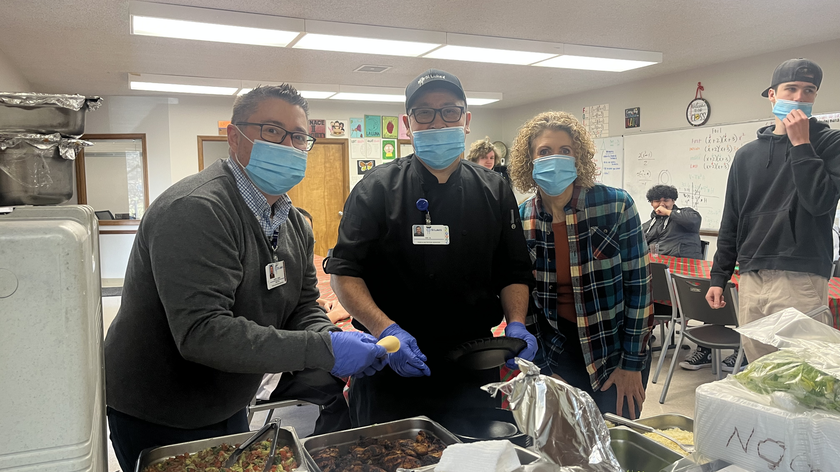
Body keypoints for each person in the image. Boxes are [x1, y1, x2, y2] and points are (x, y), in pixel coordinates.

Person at [104, 85, 387, 470]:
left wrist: (334, 339)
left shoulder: (291, 223)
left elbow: (302, 305)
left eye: (299, 137)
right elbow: (203, 333)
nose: (287, 145)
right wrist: (323, 351)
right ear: (234, 137)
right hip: (160, 409)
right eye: (272, 130)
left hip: (230, 399)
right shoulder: (197, 210)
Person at [325, 69, 536, 427]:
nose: (438, 122)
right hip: (390, 363)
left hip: (474, 365)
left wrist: (516, 323)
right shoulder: (375, 188)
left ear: (466, 121)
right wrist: (386, 329)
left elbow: (513, 270)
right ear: (408, 125)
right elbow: (344, 274)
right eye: (424, 112)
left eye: (450, 111)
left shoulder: (495, 190)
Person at [508, 111, 653, 419]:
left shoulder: (616, 206)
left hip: (613, 351)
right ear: (529, 161)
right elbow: (526, 302)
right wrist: (543, 370)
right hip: (557, 353)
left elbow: (639, 290)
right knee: (563, 447)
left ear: (579, 158)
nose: (555, 159)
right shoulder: (521, 219)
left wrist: (631, 364)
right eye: (544, 152)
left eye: (565, 151)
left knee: (615, 446)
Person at [707, 58, 840, 366]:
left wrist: (801, 144)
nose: (798, 98)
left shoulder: (830, 143)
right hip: (752, 276)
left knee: (803, 373)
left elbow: (820, 202)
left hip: (801, 275)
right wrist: (719, 276)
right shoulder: (746, 155)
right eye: (790, 89)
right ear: (772, 95)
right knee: (760, 372)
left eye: (809, 91)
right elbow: (733, 219)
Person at [642, 185, 703, 259]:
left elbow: (694, 221)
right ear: (652, 203)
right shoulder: (648, 226)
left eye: (666, 200)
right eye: (657, 201)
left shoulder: (686, 214)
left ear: (673, 201)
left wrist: (668, 212)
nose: (661, 204)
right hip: (655, 263)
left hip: (682, 263)